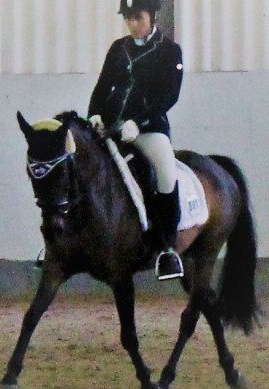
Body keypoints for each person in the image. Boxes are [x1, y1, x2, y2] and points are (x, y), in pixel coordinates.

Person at [88, 0, 184, 281]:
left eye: (137, 18)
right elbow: (103, 85)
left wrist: (139, 122)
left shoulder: (170, 51)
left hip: (149, 129)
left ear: (152, 16)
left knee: (166, 174)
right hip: (111, 127)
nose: (132, 25)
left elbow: (170, 95)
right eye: (128, 19)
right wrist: (94, 114)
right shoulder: (118, 49)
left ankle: (167, 249)